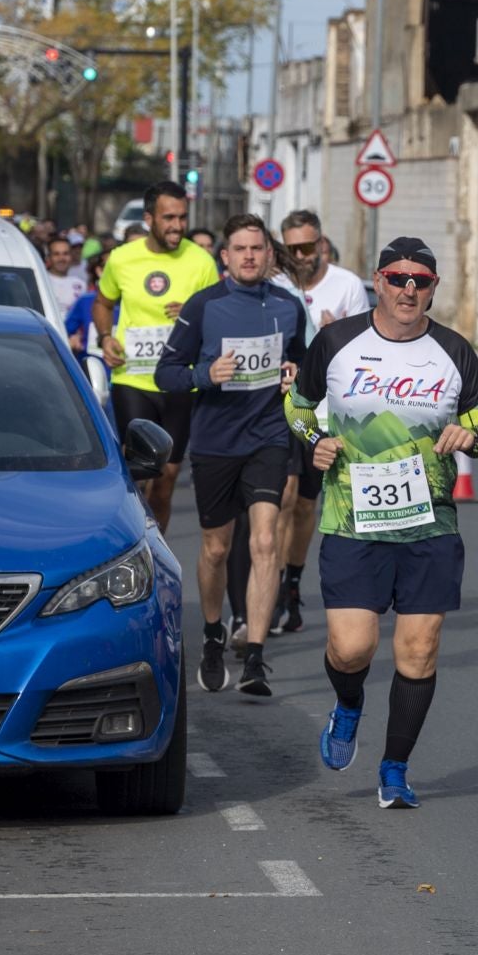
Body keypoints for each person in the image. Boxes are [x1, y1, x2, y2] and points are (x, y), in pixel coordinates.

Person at [287, 236, 478, 809]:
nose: (409, 289)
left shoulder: (454, 350)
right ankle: (349, 703)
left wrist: (471, 435)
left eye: (421, 281)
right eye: (398, 278)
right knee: (352, 649)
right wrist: (318, 441)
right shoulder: (335, 341)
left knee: (419, 650)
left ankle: (395, 768)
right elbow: (298, 406)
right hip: (353, 521)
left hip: (429, 525)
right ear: (377, 282)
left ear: (433, 289)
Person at [156, 213, 308, 696]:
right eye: (239, 249)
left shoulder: (287, 306)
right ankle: (212, 633)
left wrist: (294, 374)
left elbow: (301, 361)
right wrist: (205, 375)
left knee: (265, 541)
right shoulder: (205, 306)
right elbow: (166, 374)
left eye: (257, 249)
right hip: (216, 442)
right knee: (217, 548)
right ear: (225, 257)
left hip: (268, 437)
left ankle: (257, 657)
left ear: (268, 256)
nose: (248, 256)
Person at [92, 181, 220, 531]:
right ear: (149, 218)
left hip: (180, 381)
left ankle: (156, 548)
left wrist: (195, 314)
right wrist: (106, 337)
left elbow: (221, 315)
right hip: (133, 377)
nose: (177, 226)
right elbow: (103, 303)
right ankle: (137, 542)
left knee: (166, 481)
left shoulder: (201, 261)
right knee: (140, 474)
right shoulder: (122, 259)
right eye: (168, 218)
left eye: (182, 217)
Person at [274, 209, 374, 636]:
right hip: (283, 409)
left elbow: (368, 349)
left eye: (308, 247)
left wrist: (342, 333)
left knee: (305, 506)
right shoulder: (275, 285)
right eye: (292, 247)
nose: (300, 255)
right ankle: (275, 586)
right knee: (283, 495)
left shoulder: (348, 285)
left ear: (320, 244)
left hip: (328, 414)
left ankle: (293, 582)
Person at [43, 235, 84, 319]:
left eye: (65, 254)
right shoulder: (41, 281)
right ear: (48, 258)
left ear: (71, 257)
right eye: (56, 254)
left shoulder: (81, 284)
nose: (61, 258)